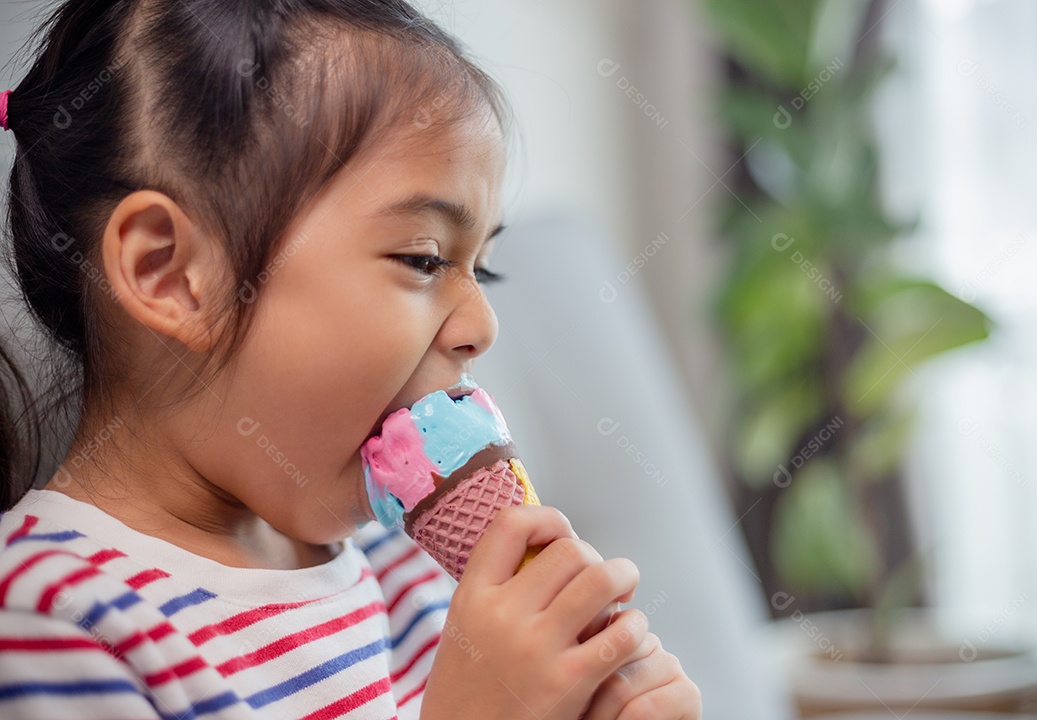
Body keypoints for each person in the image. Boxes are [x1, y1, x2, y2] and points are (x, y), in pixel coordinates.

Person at [0, 1, 702, 719]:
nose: (483, 327)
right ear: (171, 275)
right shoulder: (55, 619)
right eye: (423, 258)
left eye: (481, 271)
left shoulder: (406, 572)